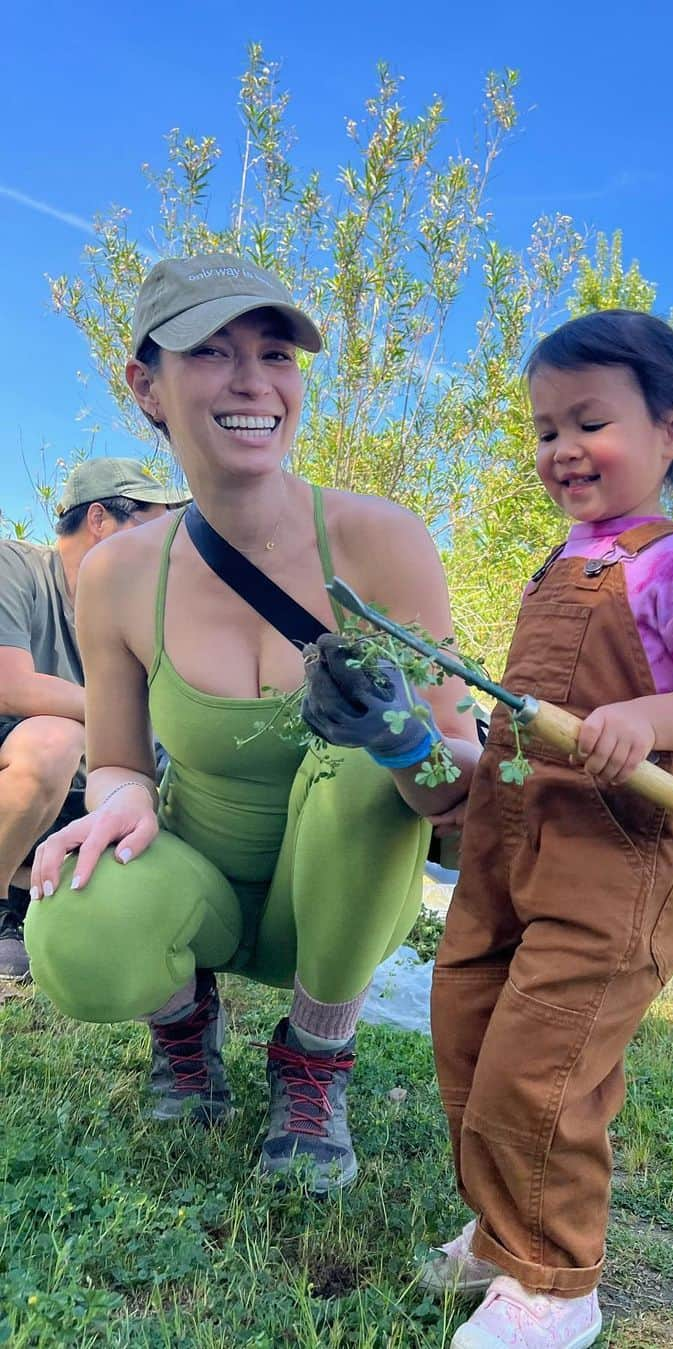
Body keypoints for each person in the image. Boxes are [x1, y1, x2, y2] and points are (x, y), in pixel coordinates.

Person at [27, 253, 480, 1193]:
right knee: (69, 925)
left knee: (360, 760)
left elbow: (456, 796)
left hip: (342, 902)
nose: (253, 382)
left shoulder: (382, 541)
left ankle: (315, 1059)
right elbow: (115, 761)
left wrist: (400, 735)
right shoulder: (115, 574)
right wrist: (115, 801)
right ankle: (186, 1028)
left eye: (277, 354)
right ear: (146, 385)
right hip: (203, 889)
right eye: (211, 352)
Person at [422, 310, 673, 1348]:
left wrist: (647, 720)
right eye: (543, 429)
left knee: (546, 1062)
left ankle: (559, 1285)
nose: (562, 449)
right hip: (509, 847)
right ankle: (501, 1232)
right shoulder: (554, 564)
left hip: (616, 864)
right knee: (471, 1031)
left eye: (589, 422)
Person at [0, 459, 186, 980]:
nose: (166, 545)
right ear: (100, 519)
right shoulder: (13, 567)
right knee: (55, 741)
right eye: (153, 525)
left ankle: (28, 893)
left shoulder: (133, 612)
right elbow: (9, 686)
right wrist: (121, 712)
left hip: (74, 793)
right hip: (21, 761)